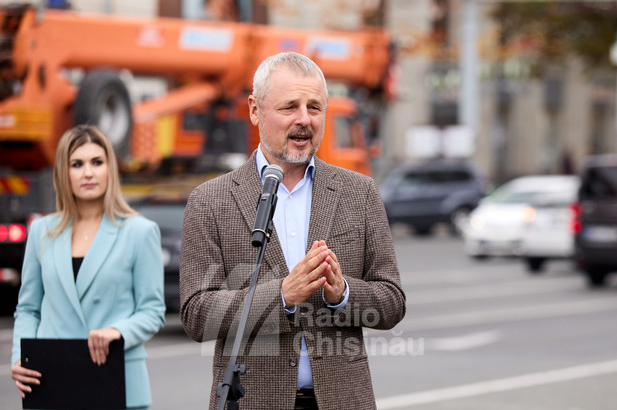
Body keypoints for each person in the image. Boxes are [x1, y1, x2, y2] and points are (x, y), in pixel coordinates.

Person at [180, 52, 406, 409]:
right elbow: (196, 313)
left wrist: (343, 293)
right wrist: (281, 295)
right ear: (255, 110)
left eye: (314, 107)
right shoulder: (210, 201)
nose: (304, 119)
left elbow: (392, 302)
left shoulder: (359, 193)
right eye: (289, 107)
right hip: (252, 401)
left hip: (342, 400)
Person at [11, 125, 166, 409]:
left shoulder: (140, 232)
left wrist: (117, 331)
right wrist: (19, 358)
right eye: (77, 164)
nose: (88, 173)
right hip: (52, 381)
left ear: (110, 168)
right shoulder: (41, 231)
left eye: (97, 162)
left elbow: (152, 311)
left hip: (118, 384)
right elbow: (28, 309)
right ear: (63, 172)